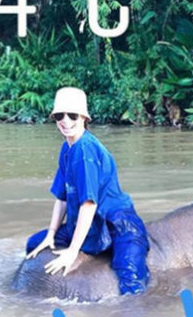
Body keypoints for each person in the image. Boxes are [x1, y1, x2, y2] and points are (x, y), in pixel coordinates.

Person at [26, 87, 150, 294]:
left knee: (131, 282)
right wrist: (51, 234)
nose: (65, 121)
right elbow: (62, 198)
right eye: (60, 116)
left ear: (84, 117)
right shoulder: (67, 148)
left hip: (117, 223)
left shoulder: (86, 150)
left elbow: (89, 204)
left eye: (72, 115)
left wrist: (72, 252)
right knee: (35, 243)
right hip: (88, 224)